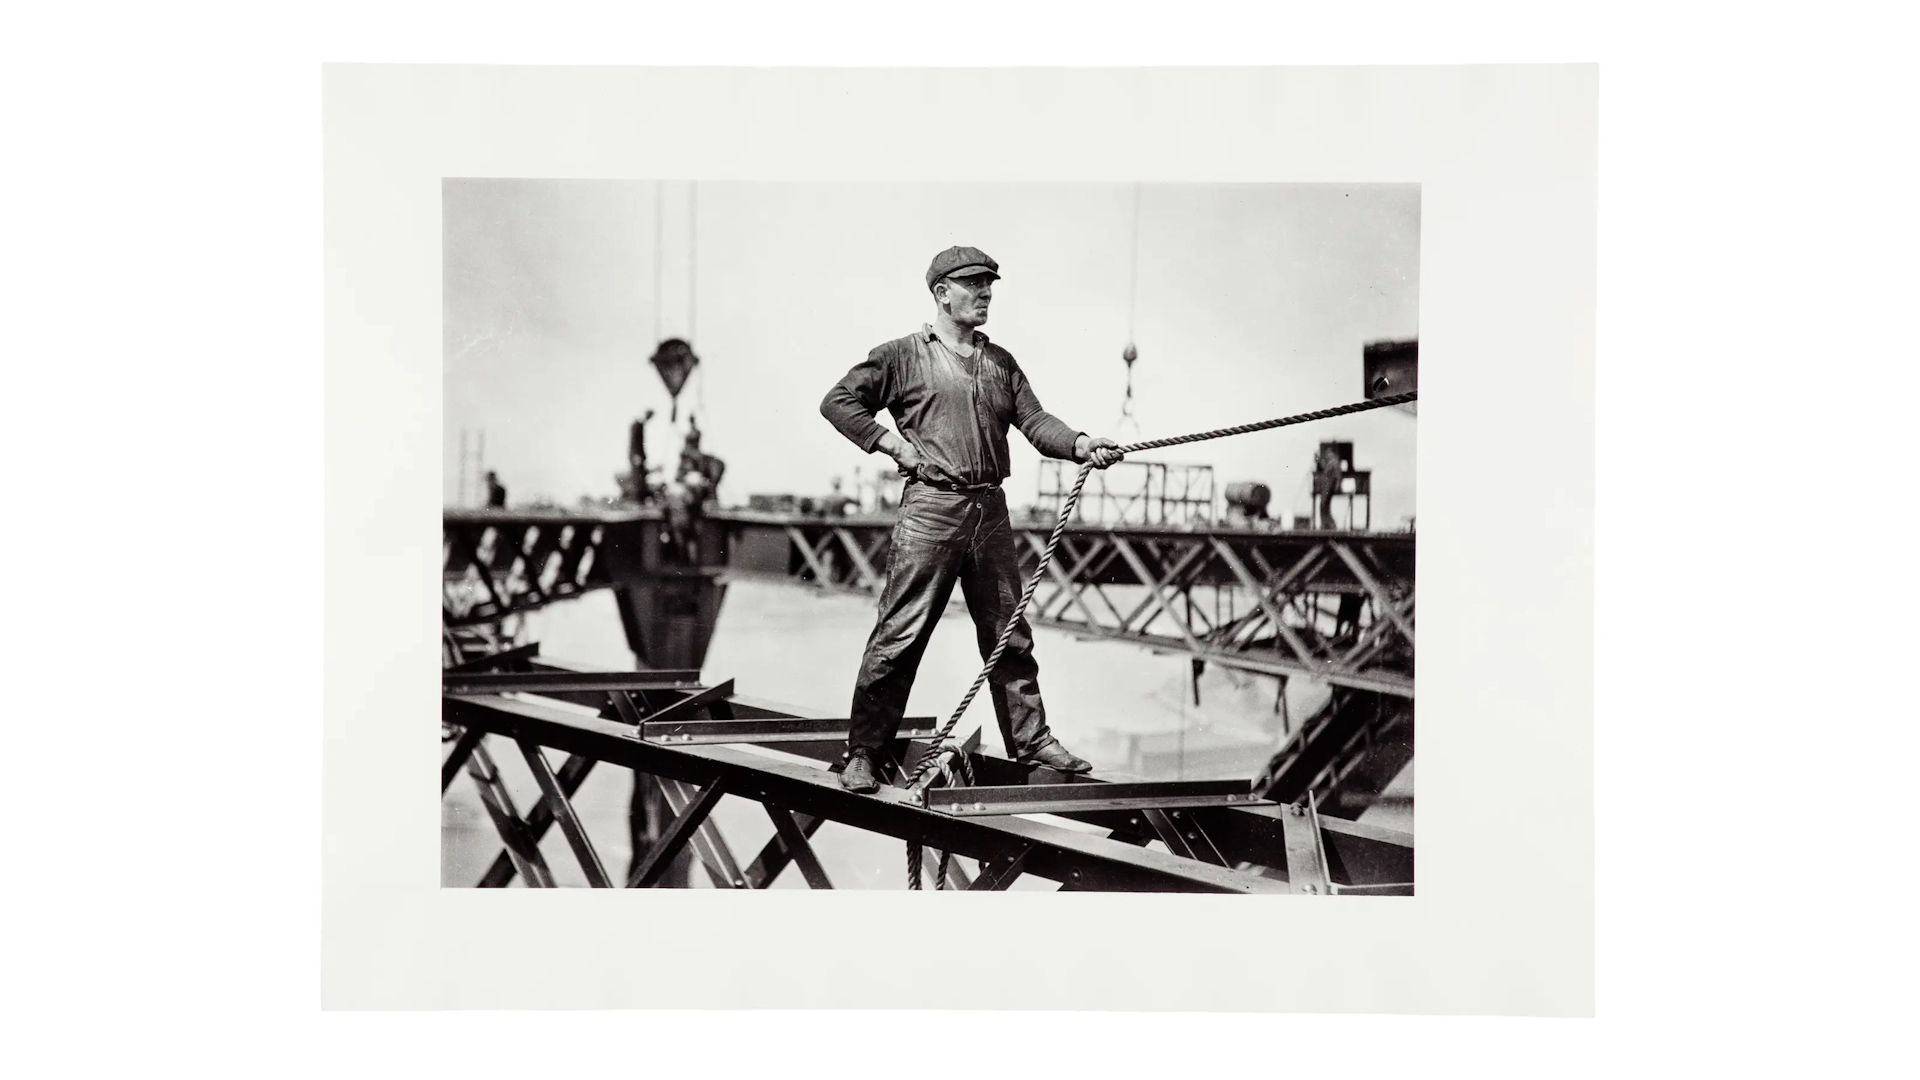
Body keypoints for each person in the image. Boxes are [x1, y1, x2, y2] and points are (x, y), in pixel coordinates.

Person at [820, 245, 1124, 793]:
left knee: (1010, 634)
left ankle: (1031, 743)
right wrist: (892, 444)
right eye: (974, 284)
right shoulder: (901, 356)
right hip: (931, 509)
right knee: (900, 633)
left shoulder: (1000, 362)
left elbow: (1033, 420)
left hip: (990, 510)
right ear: (942, 293)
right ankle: (864, 753)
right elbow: (839, 401)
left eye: (990, 285)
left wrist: (1079, 443)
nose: (986, 293)